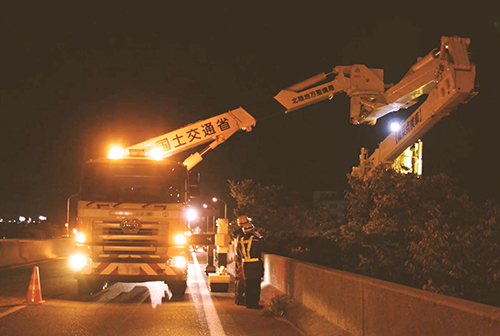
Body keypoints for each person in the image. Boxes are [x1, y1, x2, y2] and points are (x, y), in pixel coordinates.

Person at [235, 215, 264, 309]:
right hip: (255, 264)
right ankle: (254, 304)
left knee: (248, 285)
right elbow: (263, 247)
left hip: (245, 264)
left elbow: (238, 252)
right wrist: (260, 237)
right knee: (255, 285)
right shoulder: (255, 239)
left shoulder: (241, 239)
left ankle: (247, 302)